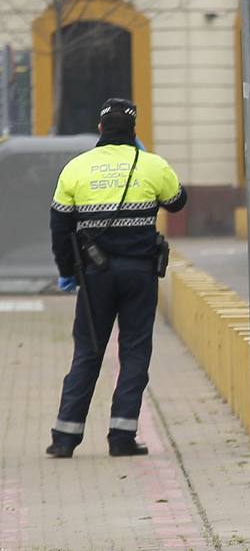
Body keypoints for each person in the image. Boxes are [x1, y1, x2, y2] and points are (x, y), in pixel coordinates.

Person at [46, 99, 186, 458]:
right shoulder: (152, 164)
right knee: (135, 352)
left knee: (87, 353)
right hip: (140, 274)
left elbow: (60, 228)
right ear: (134, 131)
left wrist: (66, 273)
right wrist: (147, 168)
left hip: (95, 276)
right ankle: (122, 436)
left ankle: (65, 438)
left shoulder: (76, 169)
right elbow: (177, 201)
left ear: (100, 129)